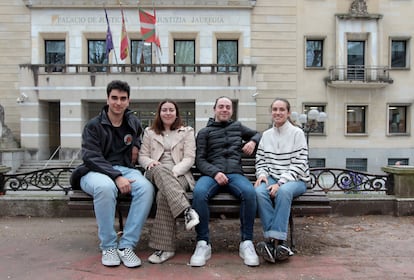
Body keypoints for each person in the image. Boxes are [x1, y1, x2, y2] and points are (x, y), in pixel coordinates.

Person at [70, 80, 154, 268]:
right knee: (105, 187)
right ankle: (108, 246)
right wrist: (116, 176)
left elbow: (138, 136)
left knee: (146, 188)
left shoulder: (132, 122)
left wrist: (136, 146)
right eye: (114, 98)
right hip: (94, 170)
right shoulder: (93, 126)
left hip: (124, 168)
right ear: (107, 99)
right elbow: (91, 157)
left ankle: (126, 246)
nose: (118, 102)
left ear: (128, 101)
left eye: (122, 98)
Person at [189, 96, 261, 267]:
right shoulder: (204, 132)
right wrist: (215, 173)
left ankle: (247, 243)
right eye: (221, 106)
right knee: (199, 193)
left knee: (250, 193)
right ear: (214, 109)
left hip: (235, 174)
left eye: (228, 107)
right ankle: (203, 243)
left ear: (232, 111)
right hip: (211, 175)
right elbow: (199, 160)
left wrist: (252, 141)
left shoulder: (237, 127)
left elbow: (259, 134)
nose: (224, 110)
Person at [138, 99, 199, 264]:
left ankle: (166, 248)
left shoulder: (186, 131)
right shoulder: (150, 132)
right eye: (164, 110)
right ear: (159, 113)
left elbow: (189, 158)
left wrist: (174, 172)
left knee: (162, 197)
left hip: (179, 174)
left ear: (176, 113)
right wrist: (149, 163)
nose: (168, 113)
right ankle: (186, 211)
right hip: (155, 173)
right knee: (158, 169)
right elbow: (142, 156)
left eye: (171, 110)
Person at [254, 98, 310, 263]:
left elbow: (300, 164)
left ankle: (276, 241)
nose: (277, 113)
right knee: (258, 191)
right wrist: (262, 175)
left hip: (296, 179)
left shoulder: (297, 133)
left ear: (288, 113)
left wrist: (280, 183)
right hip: (272, 177)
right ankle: (276, 246)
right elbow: (261, 160)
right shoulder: (266, 135)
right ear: (271, 112)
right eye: (275, 109)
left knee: (284, 192)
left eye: (281, 110)